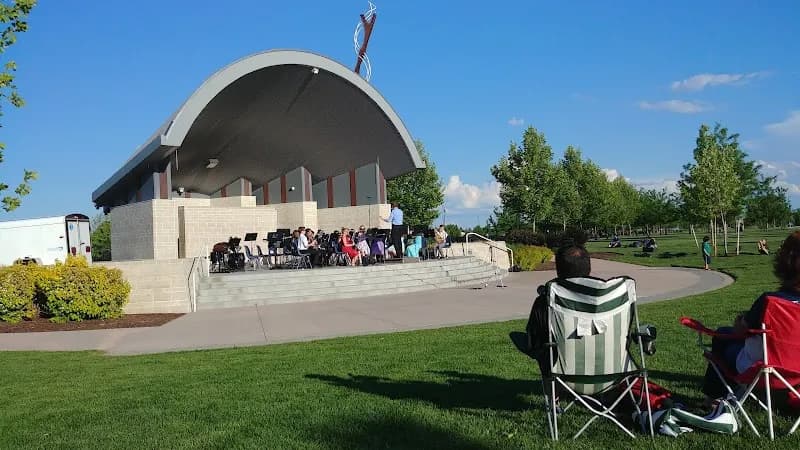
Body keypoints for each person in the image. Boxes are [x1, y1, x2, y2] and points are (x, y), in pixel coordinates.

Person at [701, 231, 800, 406]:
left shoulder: (772, 303)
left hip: (769, 368)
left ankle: (714, 397)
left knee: (723, 336)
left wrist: (741, 320)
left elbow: (741, 330)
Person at [509, 245, 592, 377]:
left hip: (561, 374)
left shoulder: (546, 301)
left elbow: (534, 337)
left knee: (527, 340)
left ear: (558, 270)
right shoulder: (609, 298)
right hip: (612, 373)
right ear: (589, 268)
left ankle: (554, 390)